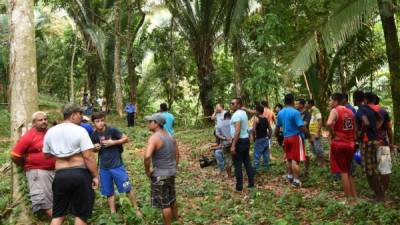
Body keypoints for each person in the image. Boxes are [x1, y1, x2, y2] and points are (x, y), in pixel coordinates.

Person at [43, 103, 99, 225]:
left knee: (58, 214)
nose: (81, 117)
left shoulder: (51, 131)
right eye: (80, 114)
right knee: (81, 214)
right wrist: (95, 176)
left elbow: (46, 155)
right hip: (80, 174)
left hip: (60, 175)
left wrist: (61, 152)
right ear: (73, 115)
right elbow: (88, 156)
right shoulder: (80, 130)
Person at [90, 112, 141, 215]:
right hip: (104, 167)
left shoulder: (112, 130)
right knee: (109, 192)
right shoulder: (94, 135)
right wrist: (94, 148)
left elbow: (126, 138)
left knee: (127, 188)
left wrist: (113, 142)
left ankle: (136, 209)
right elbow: (93, 150)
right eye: (97, 121)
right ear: (93, 123)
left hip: (117, 165)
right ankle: (113, 214)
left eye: (102, 120)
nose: (100, 123)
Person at [11, 111, 55, 218]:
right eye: (40, 120)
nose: (44, 122)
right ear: (34, 122)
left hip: (53, 170)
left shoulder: (50, 132)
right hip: (37, 172)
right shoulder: (28, 136)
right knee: (44, 200)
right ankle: (57, 221)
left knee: (52, 197)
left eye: (45, 119)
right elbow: (15, 155)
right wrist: (26, 165)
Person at [144, 113, 180, 225]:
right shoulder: (169, 135)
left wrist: (147, 170)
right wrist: (174, 166)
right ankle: (176, 219)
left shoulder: (154, 137)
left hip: (160, 173)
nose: (148, 124)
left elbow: (147, 156)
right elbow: (177, 153)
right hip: (171, 172)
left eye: (150, 121)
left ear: (156, 124)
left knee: (165, 204)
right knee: (171, 197)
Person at [353, 91, 384, 202]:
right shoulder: (370, 108)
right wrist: (374, 130)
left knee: (370, 171)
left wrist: (361, 134)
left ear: (355, 100)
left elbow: (365, 123)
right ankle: (378, 195)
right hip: (374, 140)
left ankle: (379, 197)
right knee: (372, 169)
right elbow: (380, 119)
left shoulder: (360, 111)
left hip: (367, 142)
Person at [326, 93, 357, 203]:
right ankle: (355, 198)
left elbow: (329, 123)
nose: (329, 102)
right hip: (350, 143)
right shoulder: (350, 111)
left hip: (339, 143)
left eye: (330, 100)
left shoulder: (335, 110)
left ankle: (348, 200)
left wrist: (333, 133)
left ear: (336, 101)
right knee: (349, 171)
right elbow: (355, 128)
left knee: (343, 171)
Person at [275, 94, 308, 187]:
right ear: (293, 101)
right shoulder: (295, 112)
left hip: (286, 138)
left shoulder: (280, 113)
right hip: (295, 137)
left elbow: (277, 127)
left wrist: (277, 136)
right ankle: (296, 181)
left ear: (284, 102)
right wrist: (308, 135)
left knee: (289, 158)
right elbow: (301, 126)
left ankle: (290, 176)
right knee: (295, 160)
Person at [368, 94, 393, 195]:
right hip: (383, 144)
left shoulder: (365, 112)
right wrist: (390, 143)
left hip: (370, 145)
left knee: (373, 170)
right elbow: (389, 129)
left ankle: (379, 193)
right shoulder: (383, 112)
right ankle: (383, 191)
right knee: (385, 169)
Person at [230, 98, 255, 192]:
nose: (231, 105)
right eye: (231, 103)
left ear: (238, 104)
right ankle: (251, 184)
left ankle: (239, 187)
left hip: (239, 141)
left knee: (238, 164)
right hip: (245, 140)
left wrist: (233, 145)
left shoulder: (237, 115)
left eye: (233, 103)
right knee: (247, 162)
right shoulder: (243, 113)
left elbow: (237, 130)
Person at [252, 104, 272, 172]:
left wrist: (254, 138)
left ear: (258, 111)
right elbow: (270, 129)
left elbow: (253, 130)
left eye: (255, 110)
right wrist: (268, 136)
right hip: (265, 138)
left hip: (259, 139)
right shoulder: (266, 119)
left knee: (256, 155)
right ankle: (266, 168)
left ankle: (255, 169)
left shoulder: (256, 119)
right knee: (266, 154)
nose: (254, 111)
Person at [213, 112, 233, 177]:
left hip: (225, 144)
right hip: (234, 142)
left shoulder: (219, 124)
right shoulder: (233, 122)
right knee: (237, 158)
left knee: (227, 159)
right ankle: (238, 172)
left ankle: (229, 176)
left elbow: (217, 134)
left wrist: (225, 138)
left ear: (224, 117)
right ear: (230, 116)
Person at [306, 99, 325, 168]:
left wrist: (317, 132)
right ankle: (318, 162)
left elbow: (320, 121)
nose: (305, 105)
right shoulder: (310, 111)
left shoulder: (316, 110)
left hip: (315, 132)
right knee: (313, 148)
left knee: (318, 148)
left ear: (310, 104)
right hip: (311, 133)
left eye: (306, 103)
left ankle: (323, 163)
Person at [297, 99, 311, 175]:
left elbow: (305, 124)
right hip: (296, 136)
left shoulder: (307, 114)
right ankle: (297, 170)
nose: (296, 105)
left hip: (305, 136)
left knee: (307, 154)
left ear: (302, 105)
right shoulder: (296, 113)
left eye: (297, 104)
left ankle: (306, 170)